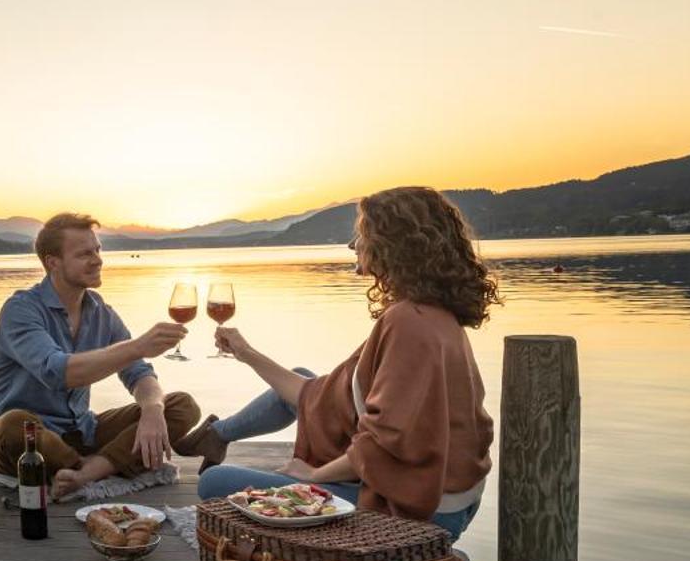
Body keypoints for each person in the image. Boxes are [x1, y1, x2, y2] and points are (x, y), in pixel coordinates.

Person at [185, 186, 498, 540]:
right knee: (309, 382)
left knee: (215, 482)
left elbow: (385, 439)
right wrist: (246, 352)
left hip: (419, 509)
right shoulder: (432, 314)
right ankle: (216, 436)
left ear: (390, 245)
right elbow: (316, 394)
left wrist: (312, 477)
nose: (354, 245)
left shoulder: (408, 322)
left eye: (362, 235)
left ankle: (222, 444)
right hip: (448, 496)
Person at [0, 213, 206, 500]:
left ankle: (86, 473)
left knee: (180, 406)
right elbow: (58, 372)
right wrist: (137, 346)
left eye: (98, 250)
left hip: (83, 431)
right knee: (13, 427)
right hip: (31, 440)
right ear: (53, 262)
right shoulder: (21, 310)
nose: (98, 259)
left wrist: (152, 410)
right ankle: (106, 465)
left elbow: (139, 373)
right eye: (84, 254)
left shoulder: (101, 312)